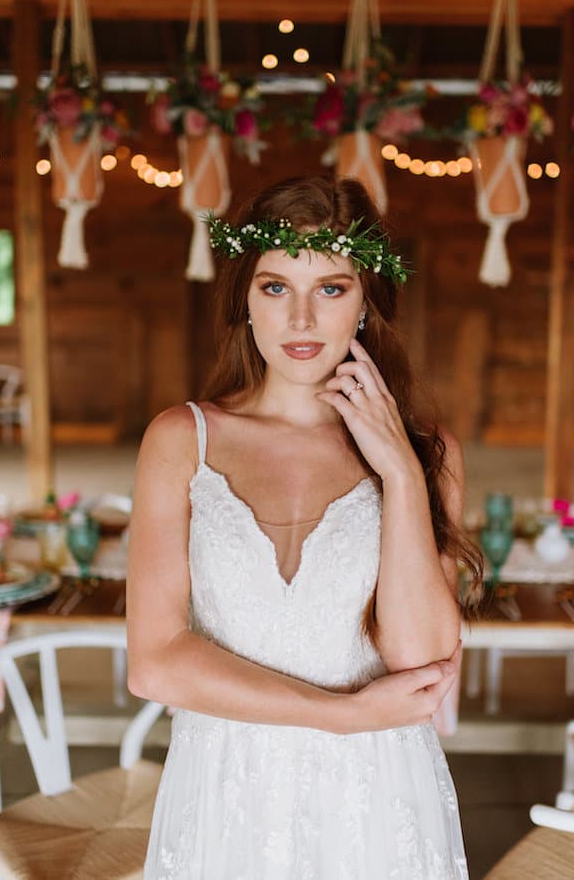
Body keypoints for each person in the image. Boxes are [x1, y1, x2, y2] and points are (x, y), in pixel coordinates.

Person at [127, 175, 482, 880]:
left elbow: (421, 662)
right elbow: (155, 660)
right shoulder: (180, 440)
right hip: (225, 790)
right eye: (274, 286)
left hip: (376, 797)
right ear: (244, 301)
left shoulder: (426, 453)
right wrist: (341, 715)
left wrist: (403, 474)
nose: (299, 319)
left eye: (330, 288)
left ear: (364, 304)